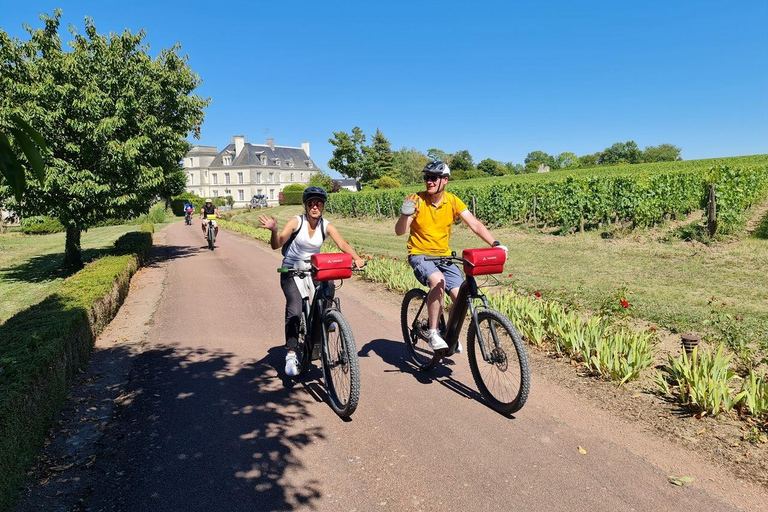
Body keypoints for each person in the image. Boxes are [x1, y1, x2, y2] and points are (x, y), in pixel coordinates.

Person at [394, 160, 507, 352]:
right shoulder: (417, 200)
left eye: (433, 178)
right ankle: (433, 332)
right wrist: (405, 215)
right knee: (438, 281)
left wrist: (495, 244)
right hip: (420, 254)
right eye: (426, 178)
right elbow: (399, 231)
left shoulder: (453, 201)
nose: (428, 181)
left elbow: (474, 224)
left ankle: (451, 333)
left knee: (460, 295)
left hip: (444, 256)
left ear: (444, 180)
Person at [258, 186, 366, 377]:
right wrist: (274, 231)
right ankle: (291, 353)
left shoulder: (326, 225)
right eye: (311, 203)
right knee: (294, 308)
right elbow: (278, 244)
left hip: (314, 268)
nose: (315, 207)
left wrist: (356, 258)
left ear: (323, 206)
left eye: (318, 203)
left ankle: (326, 317)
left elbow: (342, 243)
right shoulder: (296, 222)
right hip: (292, 269)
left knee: (330, 284)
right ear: (306, 206)